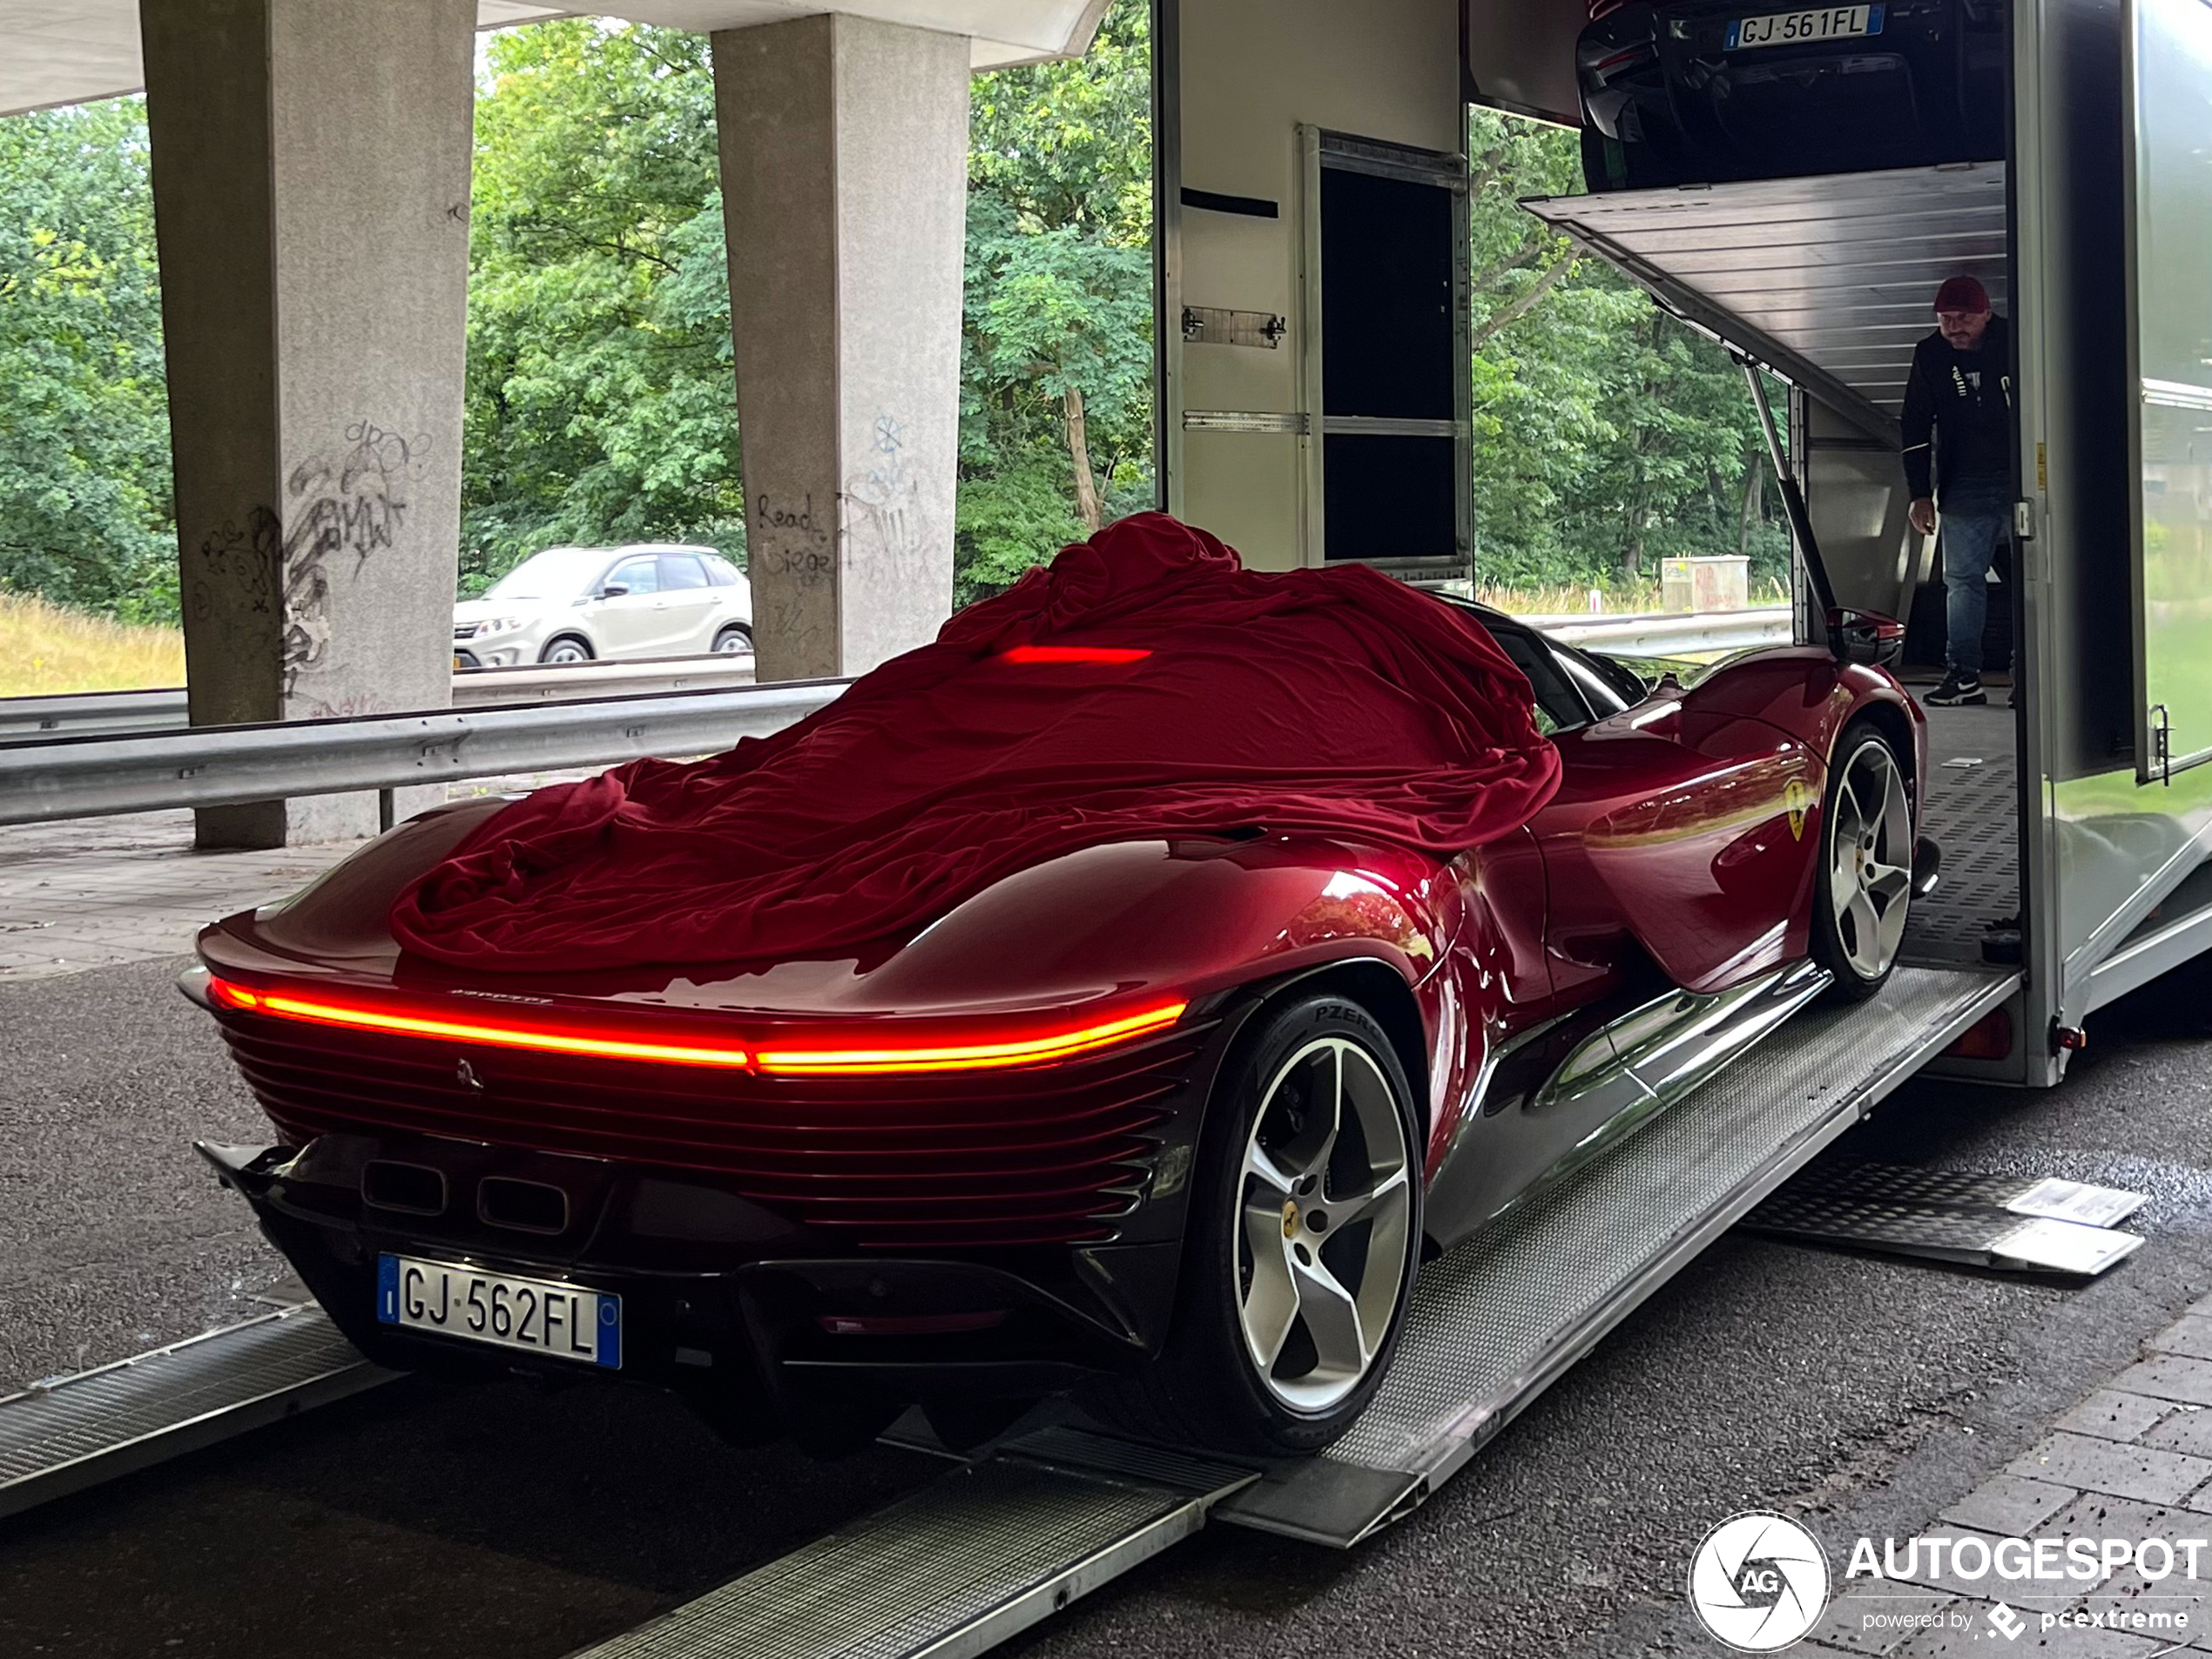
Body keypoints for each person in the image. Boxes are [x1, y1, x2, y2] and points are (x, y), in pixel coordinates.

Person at [1901, 275, 2014, 707]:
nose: (1954, 327)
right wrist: (1919, 492)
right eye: (1946, 319)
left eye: (1964, 318)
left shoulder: (2016, 340)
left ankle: (2029, 676)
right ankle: (1963, 676)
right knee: (1962, 582)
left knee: (2031, 580)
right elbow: (1914, 424)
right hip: (1962, 482)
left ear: (1986, 313)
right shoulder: (1930, 355)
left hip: (2020, 478)